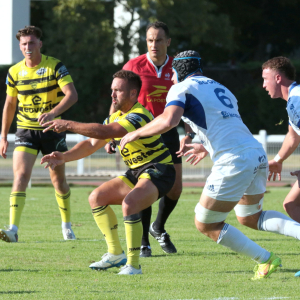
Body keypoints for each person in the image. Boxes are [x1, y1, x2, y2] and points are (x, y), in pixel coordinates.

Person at [120, 50, 300, 280]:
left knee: (205, 223)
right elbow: (224, 125)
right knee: (250, 217)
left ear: (179, 71)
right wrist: (206, 146)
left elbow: (169, 120)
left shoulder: (181, 88)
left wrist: (136, 133)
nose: (171, 78)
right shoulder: (221, 88)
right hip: (255, 154)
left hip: (233, 160)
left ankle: (265, 259)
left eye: (172, 73)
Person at [40, 70, 175, 275]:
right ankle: (115, 254)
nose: (112, 95)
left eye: (118, 90)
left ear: (132, 94)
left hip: (160, 169)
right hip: (137, 170)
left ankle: (134, 265)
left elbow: (104, 132)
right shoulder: (116, 116)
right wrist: (63, 157)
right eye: (112, 90)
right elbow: (93, 143)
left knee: (130, 204)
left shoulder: (138, 115)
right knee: (97, 197)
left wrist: (68, 124)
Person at [107, 21, 187, 257]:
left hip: (169, 131)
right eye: (150, 40)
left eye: (159, 40)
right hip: (139, 132)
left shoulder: (177, 67)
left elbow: (189, 101)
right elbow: (116, 99)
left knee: (175, 189)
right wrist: (112, 133)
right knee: (145, 186)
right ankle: (143, 242)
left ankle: (158, 227)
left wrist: (190, 134)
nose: (154, 44)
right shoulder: (134, 65)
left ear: (168, 42)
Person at [0, 26, 78, 242]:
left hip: (52, 131)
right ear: (19, 46)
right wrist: (4, 136)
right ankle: (13, 229)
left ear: (40, 44)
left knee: (58, 182)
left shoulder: (54, 66)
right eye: (24, 44)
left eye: (31, 43)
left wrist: (53, 113)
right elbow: (10, 104)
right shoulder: (14, 72)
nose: (28, 47)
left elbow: (72, 95)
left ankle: (66, 225)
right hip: (25, 131)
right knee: (21, 176)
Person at [262, 56, 300, 223]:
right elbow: (293, 136)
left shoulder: (297, 100)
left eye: (265, 79)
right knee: (291, 205)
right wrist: (278, 160)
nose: (263, 85)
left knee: (292, 204)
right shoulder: (294, 99)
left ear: (278, 78)